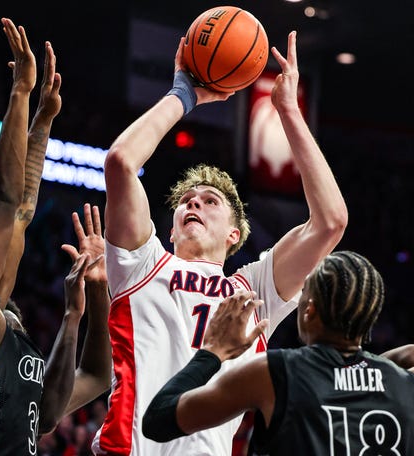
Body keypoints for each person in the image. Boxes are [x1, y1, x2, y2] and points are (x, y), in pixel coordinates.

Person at [95, 30, 348, 455]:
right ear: (171, 229)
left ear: (235, 234)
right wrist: (184, 94)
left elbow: (330, 221)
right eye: (186, 202)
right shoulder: (142, 264)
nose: (194, 203)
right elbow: (121, 162)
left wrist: (288, 112)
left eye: (209, 201)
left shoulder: (252, 291)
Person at [0, 18, 111, 455]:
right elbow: (3, 206)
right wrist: (20, 94)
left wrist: (86, 303)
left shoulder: (10, 345)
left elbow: (98, 376)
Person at [143, 251, 414, 454]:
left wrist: (213, 351)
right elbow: (352, 375)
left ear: (309, 311)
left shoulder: (274, 373)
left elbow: (158, 420)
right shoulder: (403, 384)